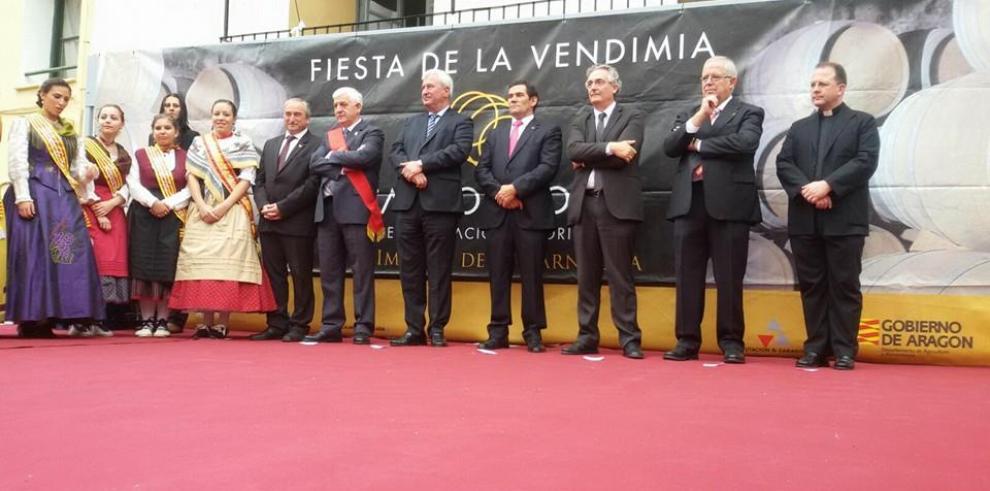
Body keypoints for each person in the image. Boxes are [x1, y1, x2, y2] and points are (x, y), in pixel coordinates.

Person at [776, 62, 880, 371]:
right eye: (812, 85)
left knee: (844, 285)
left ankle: (845, 350)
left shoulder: (862, 122)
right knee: (812, 285)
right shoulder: (799, 128)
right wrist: (809, 191)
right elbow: (784, 164)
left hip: (844, 219)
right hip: (806, 219)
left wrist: (828, 187)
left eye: (822, 84)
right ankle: (816, 348)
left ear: (841, 89)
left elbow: (865, 162)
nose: (815, 90)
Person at [662, 55, 764, 364]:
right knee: (687, 276)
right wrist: (699, 119)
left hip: (730, 205)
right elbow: (670, 147)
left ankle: (732, 341)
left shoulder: (749, 112)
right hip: (689, 204)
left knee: (729, 277)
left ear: (731, 82)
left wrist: (701, 145)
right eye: (705, 77)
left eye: (715, 77)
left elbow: (745, 144)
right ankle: (687, 340)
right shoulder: (689, 115)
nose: (708, 82)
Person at [3, 78, 103, 338]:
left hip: (63, 197)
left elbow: (75, 169)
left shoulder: (69, 130)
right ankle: (32, 318)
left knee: (67, 254)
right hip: (34, 192)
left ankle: (63, 312)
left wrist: (88, 172)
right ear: (42, 95)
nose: (61, 102)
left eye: (66, 99)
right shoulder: (25, 123)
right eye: (56, 96)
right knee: (34, 255)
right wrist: (23, 197)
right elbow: (17, 161)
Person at [168, 99, 276, 338]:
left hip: (232, 208)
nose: (220, 118)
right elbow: (192, 176)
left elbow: (247, 178)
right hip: (203, 209)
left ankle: (222, 322)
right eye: (216, 113)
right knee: (202, 263)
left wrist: (225, 206)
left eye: (225, 114)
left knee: (228, 265)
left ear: (234, 118)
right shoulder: (200, 142)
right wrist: (203, 205)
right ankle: (205, 321)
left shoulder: (242, 143)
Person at [562, 64, 645, 359]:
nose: (592, 87)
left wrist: (591, 155)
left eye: (599, 82)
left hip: (617, 206)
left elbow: (626, 157)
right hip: (585, 204)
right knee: (586, 275)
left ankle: (629, 339)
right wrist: (611, 147)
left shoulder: (632, 115)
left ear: (615, 87)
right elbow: (573, 151)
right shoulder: (580, 117)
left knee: (620, 275)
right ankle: (587, 336)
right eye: (589, 83)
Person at [388, 69, 473, 347]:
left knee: (438, 269)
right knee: (410, 269)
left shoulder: (461, 121)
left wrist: (422, 165)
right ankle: (414, 328)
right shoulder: (412, 122)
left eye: (431, 87)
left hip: (440, 206)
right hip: (407, 204)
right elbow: (396, 152)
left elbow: (458, 152)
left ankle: (437, 327)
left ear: (446, 91)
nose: (424, 91)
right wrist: (411, 172)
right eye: (423, 86)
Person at [474, 80, 561, 353]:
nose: (512, 99)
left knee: (532, 275)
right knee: (497, 275)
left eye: (519, 95)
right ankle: (498, 330)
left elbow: (548, 167)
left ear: (533, 100)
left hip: (530, 213)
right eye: (509, 95)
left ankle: (532, 332)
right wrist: (500, 193)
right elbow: (481, 169)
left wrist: (516, 189)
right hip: (498, 212)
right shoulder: (497, 131)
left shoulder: (548, 130)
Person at [306, 87, 385, 345]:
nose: (338, 109)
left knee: (362, 271)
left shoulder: (372, 132)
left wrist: (334, 157)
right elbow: (314, 164)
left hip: (356, 209)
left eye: (343, 104)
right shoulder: (330, 135)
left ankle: (363, 325)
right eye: (335, 105)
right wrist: (342, 164)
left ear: (357, 107)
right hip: (327, 211)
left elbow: (365, 156)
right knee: (329, 271)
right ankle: (331, 324)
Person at [250, 98, 320, 342]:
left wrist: (283, 207)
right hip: (269, 222)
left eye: (297, 115)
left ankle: (300, 324)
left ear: (307, 119)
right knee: (273, 275)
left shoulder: (317, 145)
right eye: (288, 114)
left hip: (297, 222)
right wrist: (263, 206)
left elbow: (312, 184)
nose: (291, 119)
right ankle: (276, 322)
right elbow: (259, 181)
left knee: (301, 275)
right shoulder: (271, 144)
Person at [128, 114, 190, 337]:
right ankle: (145, 321)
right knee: (143, 266)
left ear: (176, 132)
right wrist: (153, 202)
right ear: (152, 131)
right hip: (144, 214)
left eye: (167, 128)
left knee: (166, 267)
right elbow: (132, 183)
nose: (162, 131)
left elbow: (190, 187)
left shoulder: (186, 157)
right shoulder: (140, 155)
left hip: (172, 216)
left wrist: (168, 204)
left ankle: (163, 320)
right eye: (158, 128)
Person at [77, 104, 132, 337]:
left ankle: (102, 318)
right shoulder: (84, 145)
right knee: (92, 261)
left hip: (115, 209)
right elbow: (79, 177)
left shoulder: (124, 153)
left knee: (111, 261)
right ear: (97, 120)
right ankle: (81, 319)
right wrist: (98, 209)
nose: (108, 120)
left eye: (114, 117)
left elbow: (130, 184)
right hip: (89, 206)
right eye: (104, 116)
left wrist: (114, 202)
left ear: (121, 124)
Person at [148, 92, 199, 334]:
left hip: (182, 207)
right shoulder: (153, 139)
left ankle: (178, 316)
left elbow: (194, 177)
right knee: (159, 262)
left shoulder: (194, 138)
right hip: (156, 208)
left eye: (175, 105)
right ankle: (153, 317)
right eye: (166, 105)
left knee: (180, 262)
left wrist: (174, 202)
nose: (170, 109)